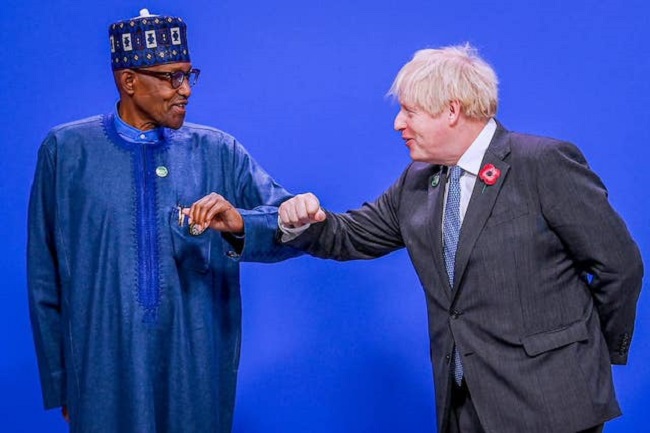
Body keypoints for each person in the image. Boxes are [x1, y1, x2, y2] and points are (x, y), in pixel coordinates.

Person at [278, 44, 643, 433]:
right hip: (465, 409)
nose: (398, 124)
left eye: (410, 111)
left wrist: (588, 351)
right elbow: (349, 235)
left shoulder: (541, 163)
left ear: (452, 110)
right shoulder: (416, 183)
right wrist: (302, 220)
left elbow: (619, 266)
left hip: (551, 405)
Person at [27, 9, 299, 433]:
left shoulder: (218, 151)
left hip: (196, 372)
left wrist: (240, 223)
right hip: (102, 375)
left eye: (190, 75)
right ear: (129, 81)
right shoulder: (66, 153)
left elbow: (289, 225)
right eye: (171, 77)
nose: (186, 90)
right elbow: (45, 277)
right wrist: (64, 383)